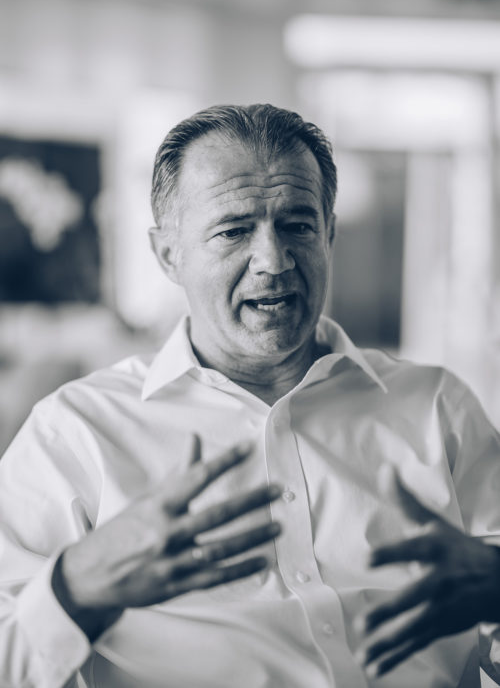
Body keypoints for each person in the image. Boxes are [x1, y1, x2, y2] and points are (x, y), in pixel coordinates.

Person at [1, 103, 500, 688]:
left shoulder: (438, 408)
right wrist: (75, 589)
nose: (274, 260)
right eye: (234, 230)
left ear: (329, 234)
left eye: (298, 225)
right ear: (168, 255)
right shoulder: (76, 434)